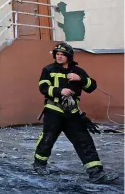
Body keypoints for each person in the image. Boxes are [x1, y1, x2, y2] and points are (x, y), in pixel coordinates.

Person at [33, 42, 118, 184]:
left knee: (84, 141)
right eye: (57, 54)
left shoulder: (78, 71)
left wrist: (81, 79)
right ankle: (39, 164)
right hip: (53, 112)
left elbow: (92, 86)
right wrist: (60, 91)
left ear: (69, 56)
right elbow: (43, 87)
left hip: (72, 113)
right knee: (47, 139)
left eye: (62, 55)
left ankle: (96, 174)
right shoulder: (48, 69)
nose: (59, 57)